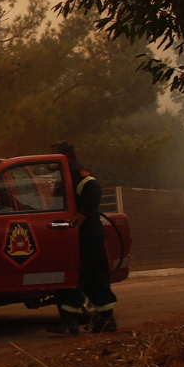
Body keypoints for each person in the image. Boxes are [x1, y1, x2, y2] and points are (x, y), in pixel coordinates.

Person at [47, 141, 118, 335]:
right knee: (93, 277)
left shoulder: (76, 172)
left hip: (85, 234)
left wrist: (83, 212)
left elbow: (93, 188)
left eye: (53, 155)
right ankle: (107, 319)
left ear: (65, 156)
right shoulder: (64, 173)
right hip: (81, 234)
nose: (51, 159)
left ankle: (69, 322)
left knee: (73, 276)